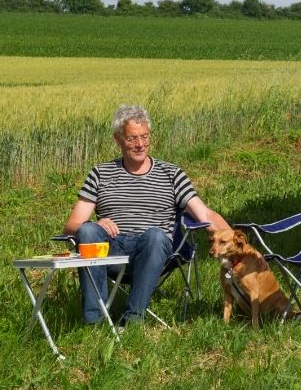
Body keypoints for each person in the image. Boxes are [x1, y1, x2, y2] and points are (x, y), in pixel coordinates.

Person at [62, 104, 229, 325]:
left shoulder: (171, 173)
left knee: (156, 236)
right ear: (118, 139)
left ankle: (132, 320)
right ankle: (94, 321)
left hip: (152, 251)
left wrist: (236, 242)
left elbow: (204, 213)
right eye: (132, 139)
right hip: (110, 249)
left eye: (145, 137)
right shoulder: (100, 173)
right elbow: (72, 226)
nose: (140, 144)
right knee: (87, 229)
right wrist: (99, 223)